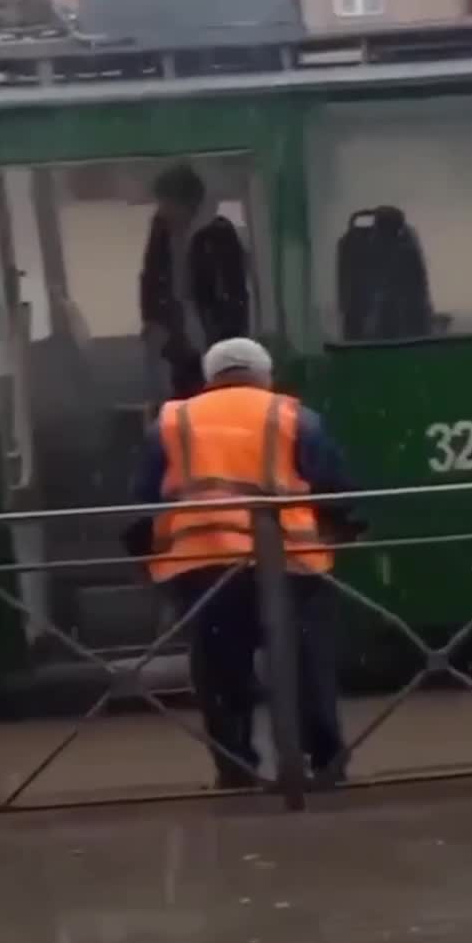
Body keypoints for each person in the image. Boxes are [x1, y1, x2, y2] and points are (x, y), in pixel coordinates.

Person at [129, 337, 363, 790]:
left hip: (204, 566)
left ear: (210, 378)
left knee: (219, 672)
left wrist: (143, 553)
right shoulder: (293, 416)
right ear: (265, 375)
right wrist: (344, 531)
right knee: (304, 665)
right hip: (290, 565)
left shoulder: (173, 420)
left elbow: (142, 500)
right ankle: (324, 764)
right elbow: (336, 489)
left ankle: (235, 767)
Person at [139, 162, 251, 399]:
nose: (164, 211)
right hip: (177, 341)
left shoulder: (219, 233)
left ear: (189, 203)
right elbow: (151, 280)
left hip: (211, 338)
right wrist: (154, 321)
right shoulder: (161, 232)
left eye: (168, 204)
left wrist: (227, 337)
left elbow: (234, 293)